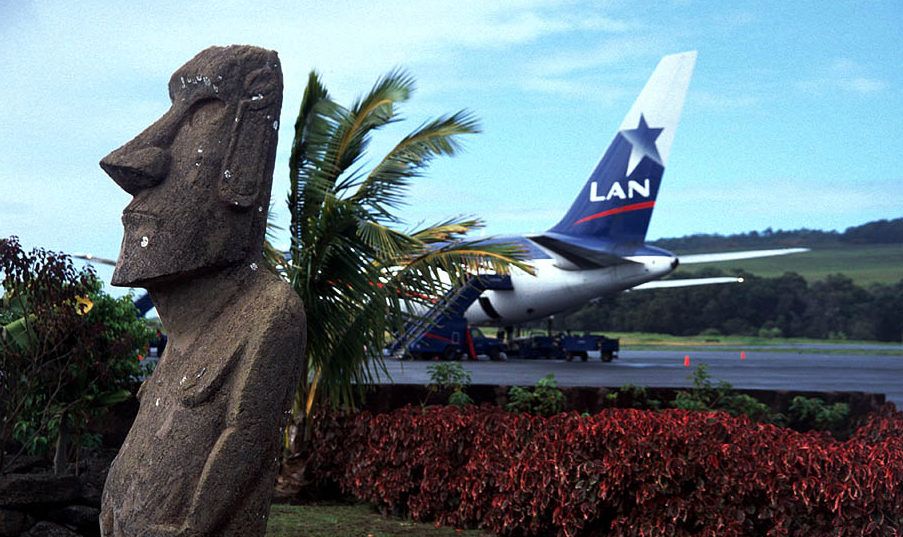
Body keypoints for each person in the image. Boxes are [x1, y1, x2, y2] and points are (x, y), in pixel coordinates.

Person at [99, 46, 305, 537]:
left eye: (198, 116)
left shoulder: (267, 312)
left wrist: (193, 527)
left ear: (246, 159)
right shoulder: (183, 334)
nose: (130, 161)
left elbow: (246, 439)